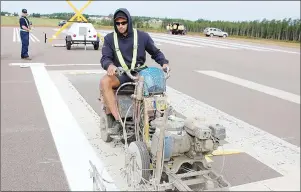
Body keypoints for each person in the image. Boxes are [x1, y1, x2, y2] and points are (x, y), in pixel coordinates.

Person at [100, 8, 170, 135]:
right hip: (120, 74)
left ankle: (154, 117)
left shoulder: (142, 36)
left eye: (123, 23)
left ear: (129, 22)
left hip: (139, 73)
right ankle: (118, 121)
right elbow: (105, 57)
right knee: (105, 81)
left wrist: (164, 63)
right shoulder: (110, 39)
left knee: (155, 83)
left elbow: (155, 52)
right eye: (117, 23)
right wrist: (109, 65)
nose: (120, 26)